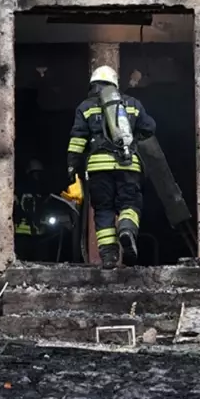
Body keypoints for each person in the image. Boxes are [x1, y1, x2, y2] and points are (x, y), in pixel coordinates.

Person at [66, 65, 156, 269]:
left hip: (99, 168)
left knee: (103, 209)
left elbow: (77, 139)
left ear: (93, 84)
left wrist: (72, 165)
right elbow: (149, 128)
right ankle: (126, 229)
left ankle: (108, 256)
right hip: (128, 165)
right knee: (130, 204)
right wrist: (133, 140)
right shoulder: (132, 104)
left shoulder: (85, 107)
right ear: (115, 83)